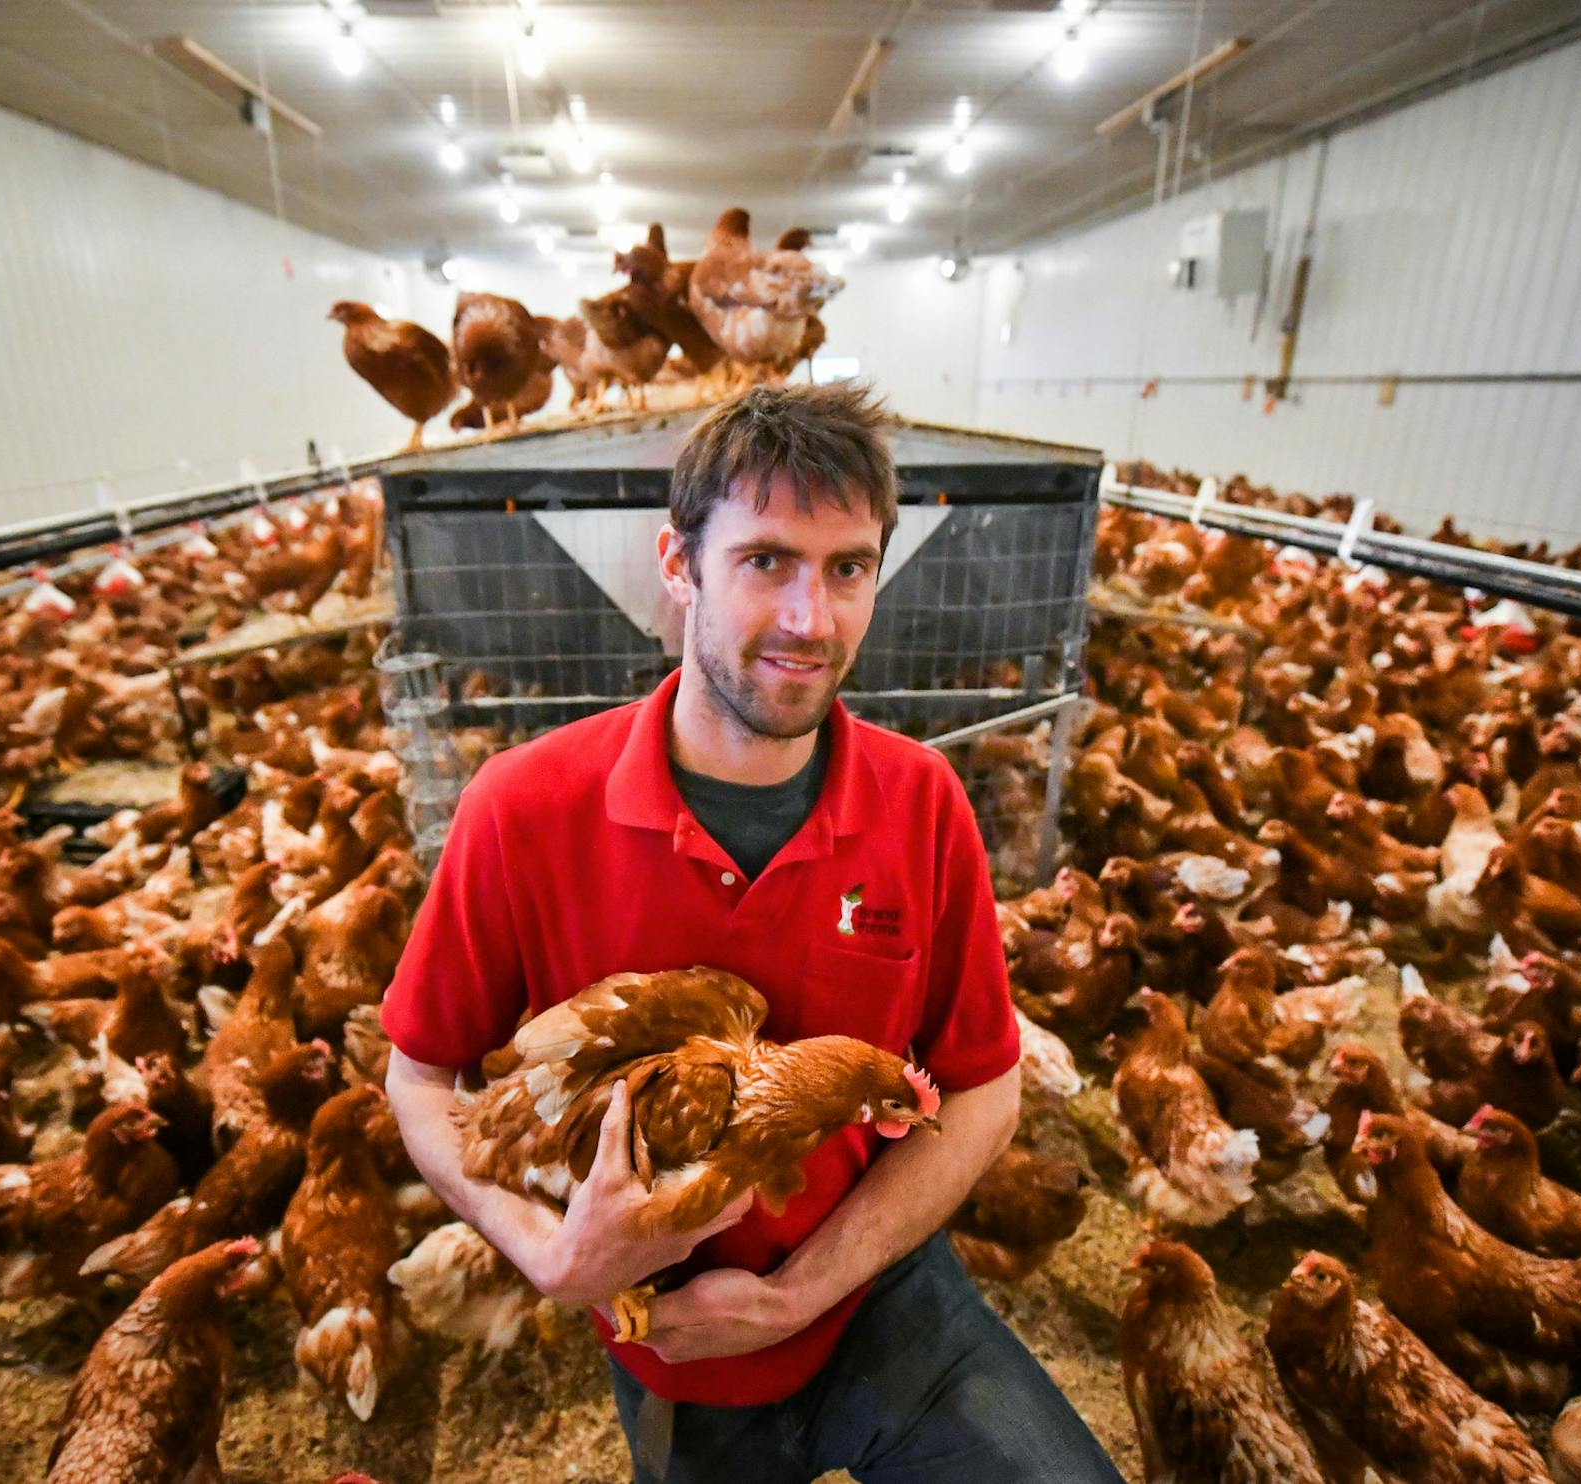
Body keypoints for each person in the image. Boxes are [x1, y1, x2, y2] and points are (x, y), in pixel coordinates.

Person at [382, 381, 1121, 1482]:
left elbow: (985, 1085)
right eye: (766, 559)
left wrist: (798, 1291)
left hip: (880, 1290)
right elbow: (418, 1071)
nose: (809, 620)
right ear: (678, 566)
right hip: (673, 1340)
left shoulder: (923, 803)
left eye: (848, 568)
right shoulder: (524, 806)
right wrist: (552, 1252)